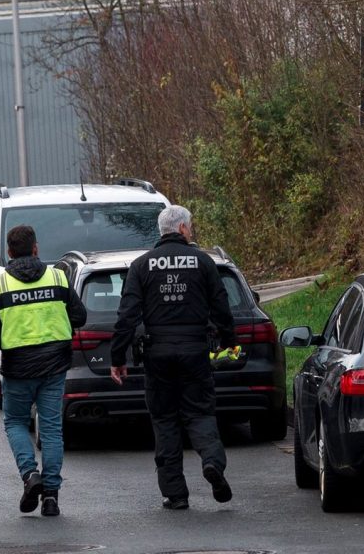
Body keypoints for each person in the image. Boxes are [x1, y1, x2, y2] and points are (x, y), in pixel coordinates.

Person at [110, 205, 236, 510]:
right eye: (189, 227)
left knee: (165, 420)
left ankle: (175, 494)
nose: (190, 231)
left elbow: (127, 315)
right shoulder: (203, 262)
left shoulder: (141, 266)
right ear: (182, 229)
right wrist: (228, 342)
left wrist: (118, 357)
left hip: (158, 354)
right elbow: (221, 307)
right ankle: (213, 464)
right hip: (195, 351)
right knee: (201, 413)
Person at [0, 225, 86, 517]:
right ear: (36, 248)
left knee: (14, 422)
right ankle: (50, 496)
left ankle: (30, 475)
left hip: (17, 370)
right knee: (51, 429)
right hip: (54, 367)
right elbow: (80, 315)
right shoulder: (57, 277)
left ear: (10, 253)